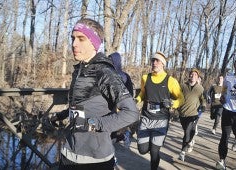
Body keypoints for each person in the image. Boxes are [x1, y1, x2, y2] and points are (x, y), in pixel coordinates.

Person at [55, 18, 139, 170]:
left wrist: (94, 124)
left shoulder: (105, 72)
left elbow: (131, 113)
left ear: (94, 42)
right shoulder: (80, 69)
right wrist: (60, 115)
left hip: (94, 160)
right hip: (69, 153)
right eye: (73, 38)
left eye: (81, 39)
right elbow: (81, 107)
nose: (74, 44)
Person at [135, 51, 184, 170]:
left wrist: (173, 103)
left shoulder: (171, 81)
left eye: (157, 61)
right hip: (146, 118)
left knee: (154, 151)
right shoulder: (145, 78)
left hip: (161, 120)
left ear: (163, 64)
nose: (154, 63)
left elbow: (181, 98)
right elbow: (142, 93)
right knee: (142, 150)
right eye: (153, 60)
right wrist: (136, 100)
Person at [178, 68, 206, 162]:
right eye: (191, 74)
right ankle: (190, 141)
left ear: (197, 77)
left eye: (195, 75)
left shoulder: (200, 88)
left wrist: (204, 106)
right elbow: (177, 96)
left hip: (194, 114)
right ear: (188, 75)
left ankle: (182, 152)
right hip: (182, 113)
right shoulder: (182, 86)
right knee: (189, 131)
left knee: (187, 132)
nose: (192, 76)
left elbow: (203, 99)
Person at [109, 52, 135, 148]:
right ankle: (123, 136)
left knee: (113, 133)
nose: (109, 62)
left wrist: (124, 105)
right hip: (108, 107)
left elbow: (130, 93)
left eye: (111, 60)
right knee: (109, 133)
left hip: (119, 107)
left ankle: (124, 135)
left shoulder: (125, 76)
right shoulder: (105, 74)